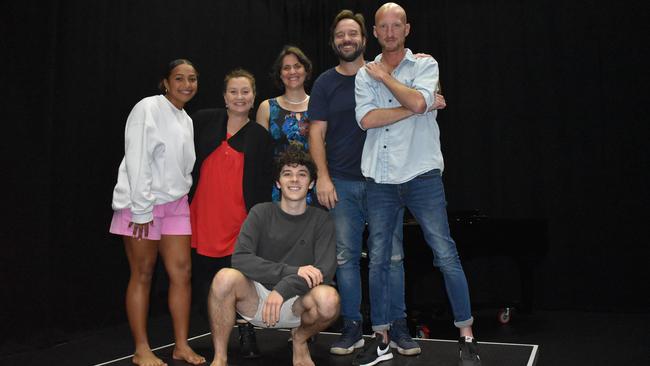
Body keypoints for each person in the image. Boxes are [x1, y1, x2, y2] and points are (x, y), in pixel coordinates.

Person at [308, 9, 446, 359]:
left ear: (365, 38)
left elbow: (420, 96)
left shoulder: (385, 72)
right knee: (346, 258)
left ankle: (398, 327)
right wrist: (322, 177)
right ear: (333, 41)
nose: (347, 40)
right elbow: (317, 133)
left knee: (394, 258)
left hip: (385, 180)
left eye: (352, 34)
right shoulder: (325, 82)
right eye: (340, 35)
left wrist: (421, 103)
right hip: (342, 182)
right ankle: (353, 326)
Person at [354, 3, 481, 366]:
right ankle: (381, 339)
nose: (390, 32)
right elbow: (366, 119)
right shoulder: (364, 73)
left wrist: (388, 81)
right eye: (384, 26)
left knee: (445, 253)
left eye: (397, 25)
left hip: (422, 175)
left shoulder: (425, 64)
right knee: (378, 259)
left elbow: (421, 98)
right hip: (379, 177)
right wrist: (416, 106)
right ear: (375, 32)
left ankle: (466, 336)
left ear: (407, 29)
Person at [109, 59, 205, 366]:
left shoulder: (186, 119)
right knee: (143, 273)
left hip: (176, 204)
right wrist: (141, 211)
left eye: (192, 79)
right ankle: (141, 350)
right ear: (166, 82)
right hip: (142, 205)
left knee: (183, 274)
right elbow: (137, 159)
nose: (187, 84)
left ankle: (181, 346)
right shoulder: (147, 108)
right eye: (180, 78)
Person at [206, 146, 339, 366]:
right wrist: (292, 272)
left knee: (328, 299)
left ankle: (299, 339)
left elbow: (324, 272)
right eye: (287, 174)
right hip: (256, 298)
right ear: (278, 182)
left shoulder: (321, 220)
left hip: (298, 301)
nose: (294, 180)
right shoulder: (261, 212)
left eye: (302, 174)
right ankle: (220, 358)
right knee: (224, 277)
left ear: (312, 184)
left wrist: (283, 288)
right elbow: (240, 259)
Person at [189, 68, 273, 359]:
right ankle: (218, 343)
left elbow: (263, 187)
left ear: (253, 98)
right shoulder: (203, 121)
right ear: (224, 97)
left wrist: (259, 226)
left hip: (239, 224)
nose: (240, 97)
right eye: (234, 92)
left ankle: (246, 331)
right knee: (204, 285)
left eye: (245, 92)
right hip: (202, 219)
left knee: (237, 283)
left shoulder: (261, 137)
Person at [256, 46, 315, 204]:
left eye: (297, 66)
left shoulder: (319, 105)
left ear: (306, 70)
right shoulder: (266, 107)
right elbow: (260, 155)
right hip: (276, 188)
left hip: (312, 188)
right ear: (280, 74)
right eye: (286, 68)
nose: (292, 72)